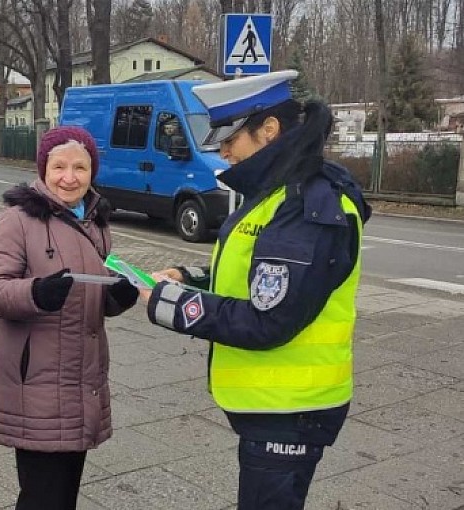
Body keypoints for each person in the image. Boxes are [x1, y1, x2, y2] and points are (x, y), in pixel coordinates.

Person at [139, 70, 371, 510]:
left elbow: (269, 319)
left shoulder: (304, 206)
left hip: (289, 410)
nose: (222, 150)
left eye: (231, 137)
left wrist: (175, 305)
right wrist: (192, 278)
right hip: (275, 407)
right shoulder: (277, 194)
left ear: (269, 131)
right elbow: (261, 274)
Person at [0, 126, 139, 510]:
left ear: (92, 171)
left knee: (64, 495)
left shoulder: (96, 220)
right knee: (42, 497)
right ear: (43, 171)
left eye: (80, 168)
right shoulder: (19, 219)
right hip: (37, 384)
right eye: (59, 167)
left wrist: (118, 297)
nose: (70, 177)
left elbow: (94, 297)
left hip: (83, 379)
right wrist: (35, 293)